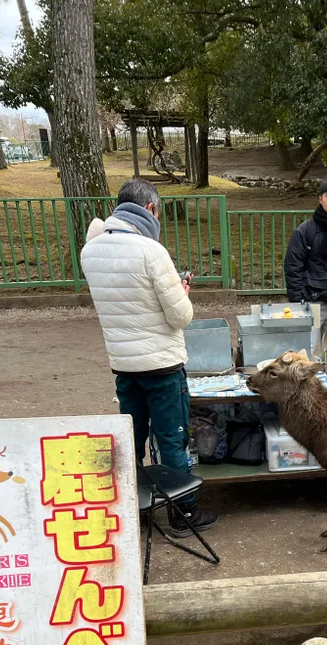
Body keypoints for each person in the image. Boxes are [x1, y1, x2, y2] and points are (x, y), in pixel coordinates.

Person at [81, 178, 217, 536]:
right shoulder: (151, 251)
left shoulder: (90, 251)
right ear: (151, 209)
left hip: (124, 365)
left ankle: (133, 511)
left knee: (132, 437)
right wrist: (183, 292)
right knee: (172, 439)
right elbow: (180, 316)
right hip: (162, 366)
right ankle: (182, 514)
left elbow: (127, 304)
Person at [284, 176, 327, 324]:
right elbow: (293, 266)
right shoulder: (305, 231)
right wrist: (299, 301)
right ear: (320, 199)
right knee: (310, 347)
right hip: (312, 301)